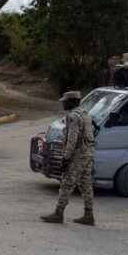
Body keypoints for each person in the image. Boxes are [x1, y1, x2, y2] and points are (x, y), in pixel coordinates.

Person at [41, 91, 96, 226]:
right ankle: (89, 215)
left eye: (65, 101)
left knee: (67, 183)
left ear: (71, 102)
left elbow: (72, 139)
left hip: (77, 155)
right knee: (86, 184)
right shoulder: (85, 115)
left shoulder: (73, 117)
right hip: (88, 154)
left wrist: (65, 158)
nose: (63, 103)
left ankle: (58, 213)